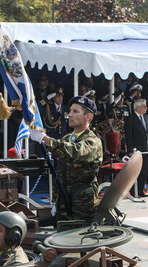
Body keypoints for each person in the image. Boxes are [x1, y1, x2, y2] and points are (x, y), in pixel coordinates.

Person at [29, 95, 103, 223]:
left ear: (88, 116)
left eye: (75, 111)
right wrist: (56, 201)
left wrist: (45, 139)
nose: (70, 115)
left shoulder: (93, 142)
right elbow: (59, 173)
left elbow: (74, 152)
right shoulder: (67, 138)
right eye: (70, 111)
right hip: (63, 205)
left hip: (82, 206)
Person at [125, 99, 148, 197]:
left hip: (145, 148)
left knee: (144, 170)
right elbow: (128, 136)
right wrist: (130, 150)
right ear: (138, 107)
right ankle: (133, 191)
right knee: (135, 171)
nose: (146, 108)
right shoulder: (130, 119)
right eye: (144, 106)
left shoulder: (146, 117)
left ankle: (141, 190)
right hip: (136, 149)